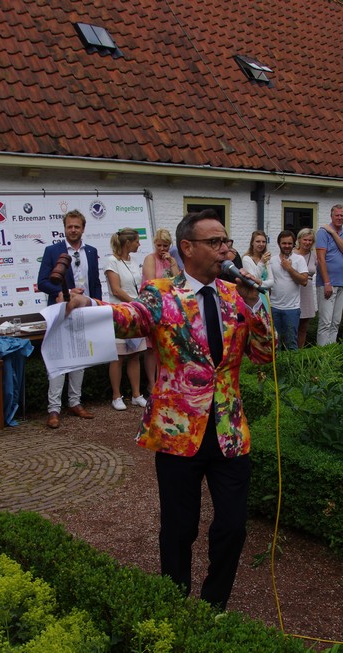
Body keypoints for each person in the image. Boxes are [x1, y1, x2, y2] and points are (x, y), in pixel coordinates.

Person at [63, 209, 274, 611]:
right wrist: (87, 303)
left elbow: (265, 355)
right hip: (177, 432)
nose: (225, 249)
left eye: (226, 241)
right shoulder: (160, 293)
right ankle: (174, 604)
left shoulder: (235, 295)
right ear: (187, 248)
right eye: (215, 242)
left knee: (233, 527)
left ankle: (212, 607)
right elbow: (131, 318)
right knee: (179, 527)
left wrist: (255, 304)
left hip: (229, 432)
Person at [37, 209, 102, 429]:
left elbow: (95, 283)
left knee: (79, 358)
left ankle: (75, 402)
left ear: (83, 229)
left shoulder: (91, 251)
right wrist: (62, 291)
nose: (73, 230)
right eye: (69, 226)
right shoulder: (52, 251)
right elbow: (42, 282)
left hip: (84, 312)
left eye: (77, 226)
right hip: (61, 310)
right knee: (58, 359)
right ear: (64, 228)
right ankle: (54, 409)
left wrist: (97, 306)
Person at [104, 229, 148, 411]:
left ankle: (136, 395)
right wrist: (134, 302)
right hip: (120, 313)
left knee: (135, 354)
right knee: (118, 356)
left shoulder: (134, 261)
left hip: (135, 313)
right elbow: (116, 289)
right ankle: (116, 396)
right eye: (137, 241)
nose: (139, 244)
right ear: (128, 243)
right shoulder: (111, 261)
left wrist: (139, 304)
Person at [142, 228, 181, 394]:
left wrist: (172, 263)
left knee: (166, 346)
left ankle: (164, 381)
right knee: (151, 348)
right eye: (159, 245)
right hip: (153, 305)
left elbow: (179, 282)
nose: (162, 249)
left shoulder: (171, 260)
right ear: (154, 244)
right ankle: (152, 384)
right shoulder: (150, 259)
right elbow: (152, 283)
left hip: (169, 308)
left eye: (165, 245)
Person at [315, 205, 343, 345]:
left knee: (336, 322)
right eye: (337, 215)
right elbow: (321, 259)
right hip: (327, 283)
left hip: (342, 282)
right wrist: (327, 283)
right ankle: (322, 353)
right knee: (325, 322)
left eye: (342, 215)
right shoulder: (322, 233)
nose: (339, 218)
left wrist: (333, 232)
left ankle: (331, 351)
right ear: (331, 216)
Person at [269, 230, 309, 350]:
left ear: (294, 244)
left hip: (292, 308)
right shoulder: (272, 260)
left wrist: (289, 268)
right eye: (284, 243)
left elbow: (304, 281)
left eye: (289, 243)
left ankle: (292, 363)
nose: (287, 246)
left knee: (291, 343)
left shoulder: (299, 259)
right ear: (279, 244)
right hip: (274, 307)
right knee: (275, 343)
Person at [293, 228, 317, 348]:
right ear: (299, 240)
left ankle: (300, 351)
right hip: (294, 289)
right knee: (292, 324)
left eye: (310, 240)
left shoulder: (314, 255)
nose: (307, 242)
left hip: (307, 290)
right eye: (305, 239)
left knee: (303, 326)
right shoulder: (292, 254)